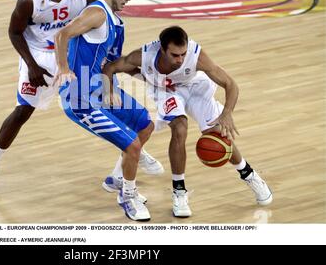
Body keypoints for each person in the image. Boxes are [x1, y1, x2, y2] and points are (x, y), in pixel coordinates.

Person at [0, 0, 162, 195]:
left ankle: (133, 149)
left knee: (98, 106)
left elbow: (96, 21)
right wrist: (31, 65)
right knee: (23, 111)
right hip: (39, 56)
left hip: (72, 56)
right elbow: (15, 33)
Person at [103, 25, 273, 218]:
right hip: (167, 92)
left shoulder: (196, 55)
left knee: (217, 134)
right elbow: (111, 67)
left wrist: (227, 113)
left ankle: (249, 175)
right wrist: (109, 91)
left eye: (183, 54)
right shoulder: (144, 56)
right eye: (175, 55)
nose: (180, 59)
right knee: (179, 129)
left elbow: (230, 84)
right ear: (162, 49)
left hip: (195, 88)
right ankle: (179, 191)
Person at [54, 0, 157, 221]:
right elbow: (62, 34)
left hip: (99, 90)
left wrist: (143, 80)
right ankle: (128, 197)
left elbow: (110, 64)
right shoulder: (97, 14)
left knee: (145, 124)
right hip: (80, 99)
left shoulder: (115, 22)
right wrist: (64, 68)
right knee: (133, 145)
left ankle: (116, 179)